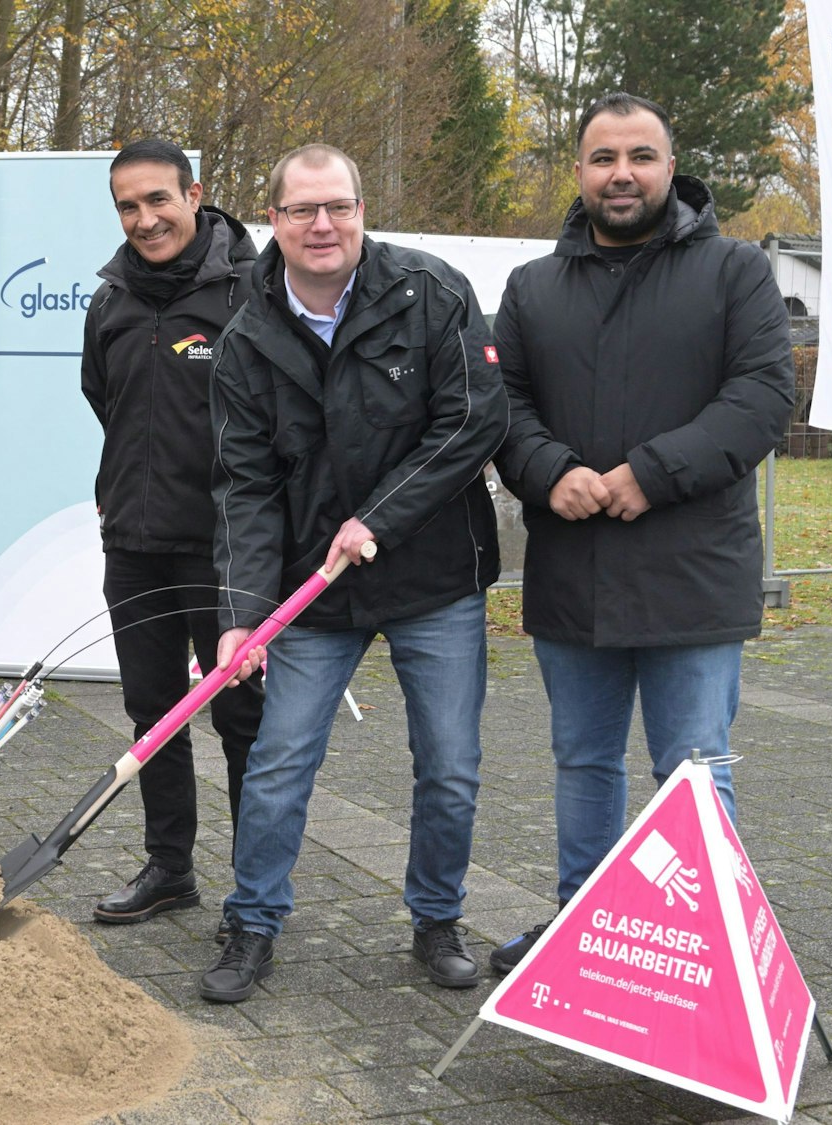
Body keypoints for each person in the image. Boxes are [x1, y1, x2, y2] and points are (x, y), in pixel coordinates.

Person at [488, 93, 794, 974]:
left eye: (641, 156)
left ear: (672, 167)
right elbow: (502, 407)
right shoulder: (533, 287)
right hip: (572, 573)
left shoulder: (736, 271)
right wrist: (551, 469)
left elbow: (763, 400)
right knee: (582, 764)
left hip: (692, 576)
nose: (621, 173)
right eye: (602, 158)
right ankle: (583, 931)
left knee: (695, 775)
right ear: (578, 172)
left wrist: (644, 475)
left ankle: (708, 955)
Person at [200, 144, 507, 1003]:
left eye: (338, 205)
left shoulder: (433, 293)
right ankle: (252, 922)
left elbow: (473, 422)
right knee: (279, 757)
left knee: (449, 762)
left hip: (434, 577)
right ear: (276, 220)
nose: (322, 224)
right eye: (302, 210)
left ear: (362, 209)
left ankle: (437, 918)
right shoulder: (244, 338)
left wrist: (382, 515)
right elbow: (244, 487)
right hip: (313, 587)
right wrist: (241, 612)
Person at [80, 140, 264, 931]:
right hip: (135, 543)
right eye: (129, 205)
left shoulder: (252, 291)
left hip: (226, 546)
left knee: (243, 716)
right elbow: (104, 398)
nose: (146, 218)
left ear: (196, 194)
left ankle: (256, 885)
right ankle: (170, 868)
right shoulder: (110, 299)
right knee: (153, 710)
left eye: (159, 199)